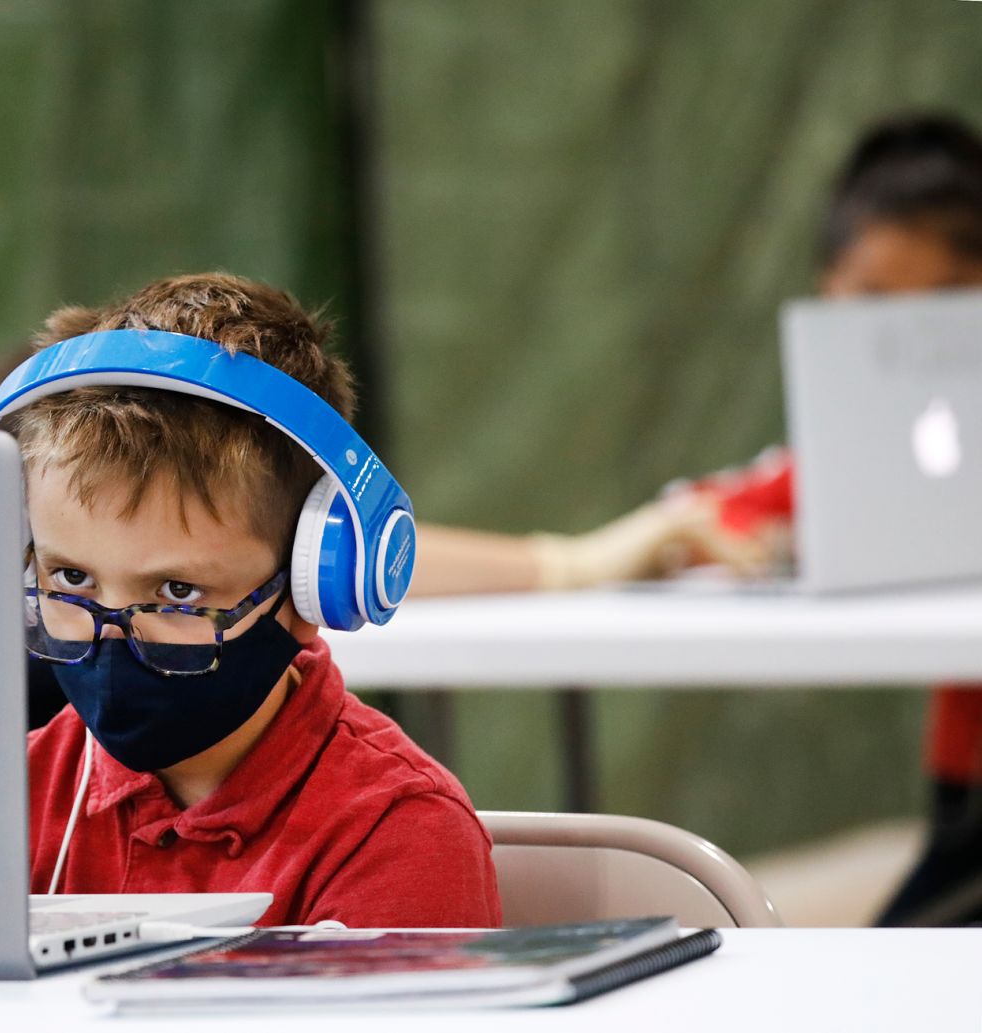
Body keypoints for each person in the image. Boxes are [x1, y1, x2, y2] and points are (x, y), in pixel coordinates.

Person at [410, 112, 982, 926]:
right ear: (828, 293)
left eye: (948, 305)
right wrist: (605, 555)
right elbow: (708, 514)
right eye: (877, 304)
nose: (909, 343)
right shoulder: (828, 474)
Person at [0, 273, 501, 928]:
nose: (107, 640)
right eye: (71, 580)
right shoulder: (8, 799)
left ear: (313, 584)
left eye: (176, 592)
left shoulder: (398, 837)